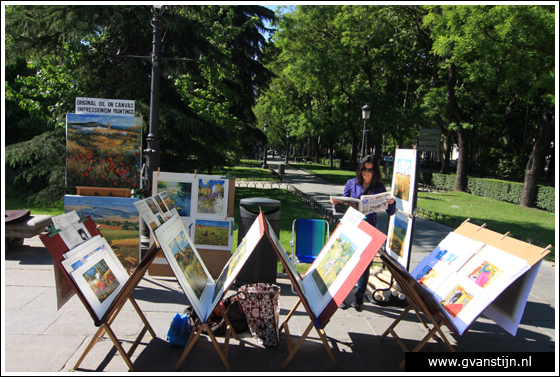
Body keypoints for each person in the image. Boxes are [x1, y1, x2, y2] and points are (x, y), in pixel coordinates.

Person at [332, 155, 396, 311]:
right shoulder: (351, 184)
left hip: (369, 230)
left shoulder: (379, 187)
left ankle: (359, 298)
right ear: (360, 169)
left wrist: (392, 203)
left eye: (370, 170)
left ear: (375, 171)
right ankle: (341, 297)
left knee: (365, 265)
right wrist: (338, 203)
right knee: (346, 262)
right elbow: (343, 207)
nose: (367, 173)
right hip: (352, 228)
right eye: (364, 169)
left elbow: (390, 212)